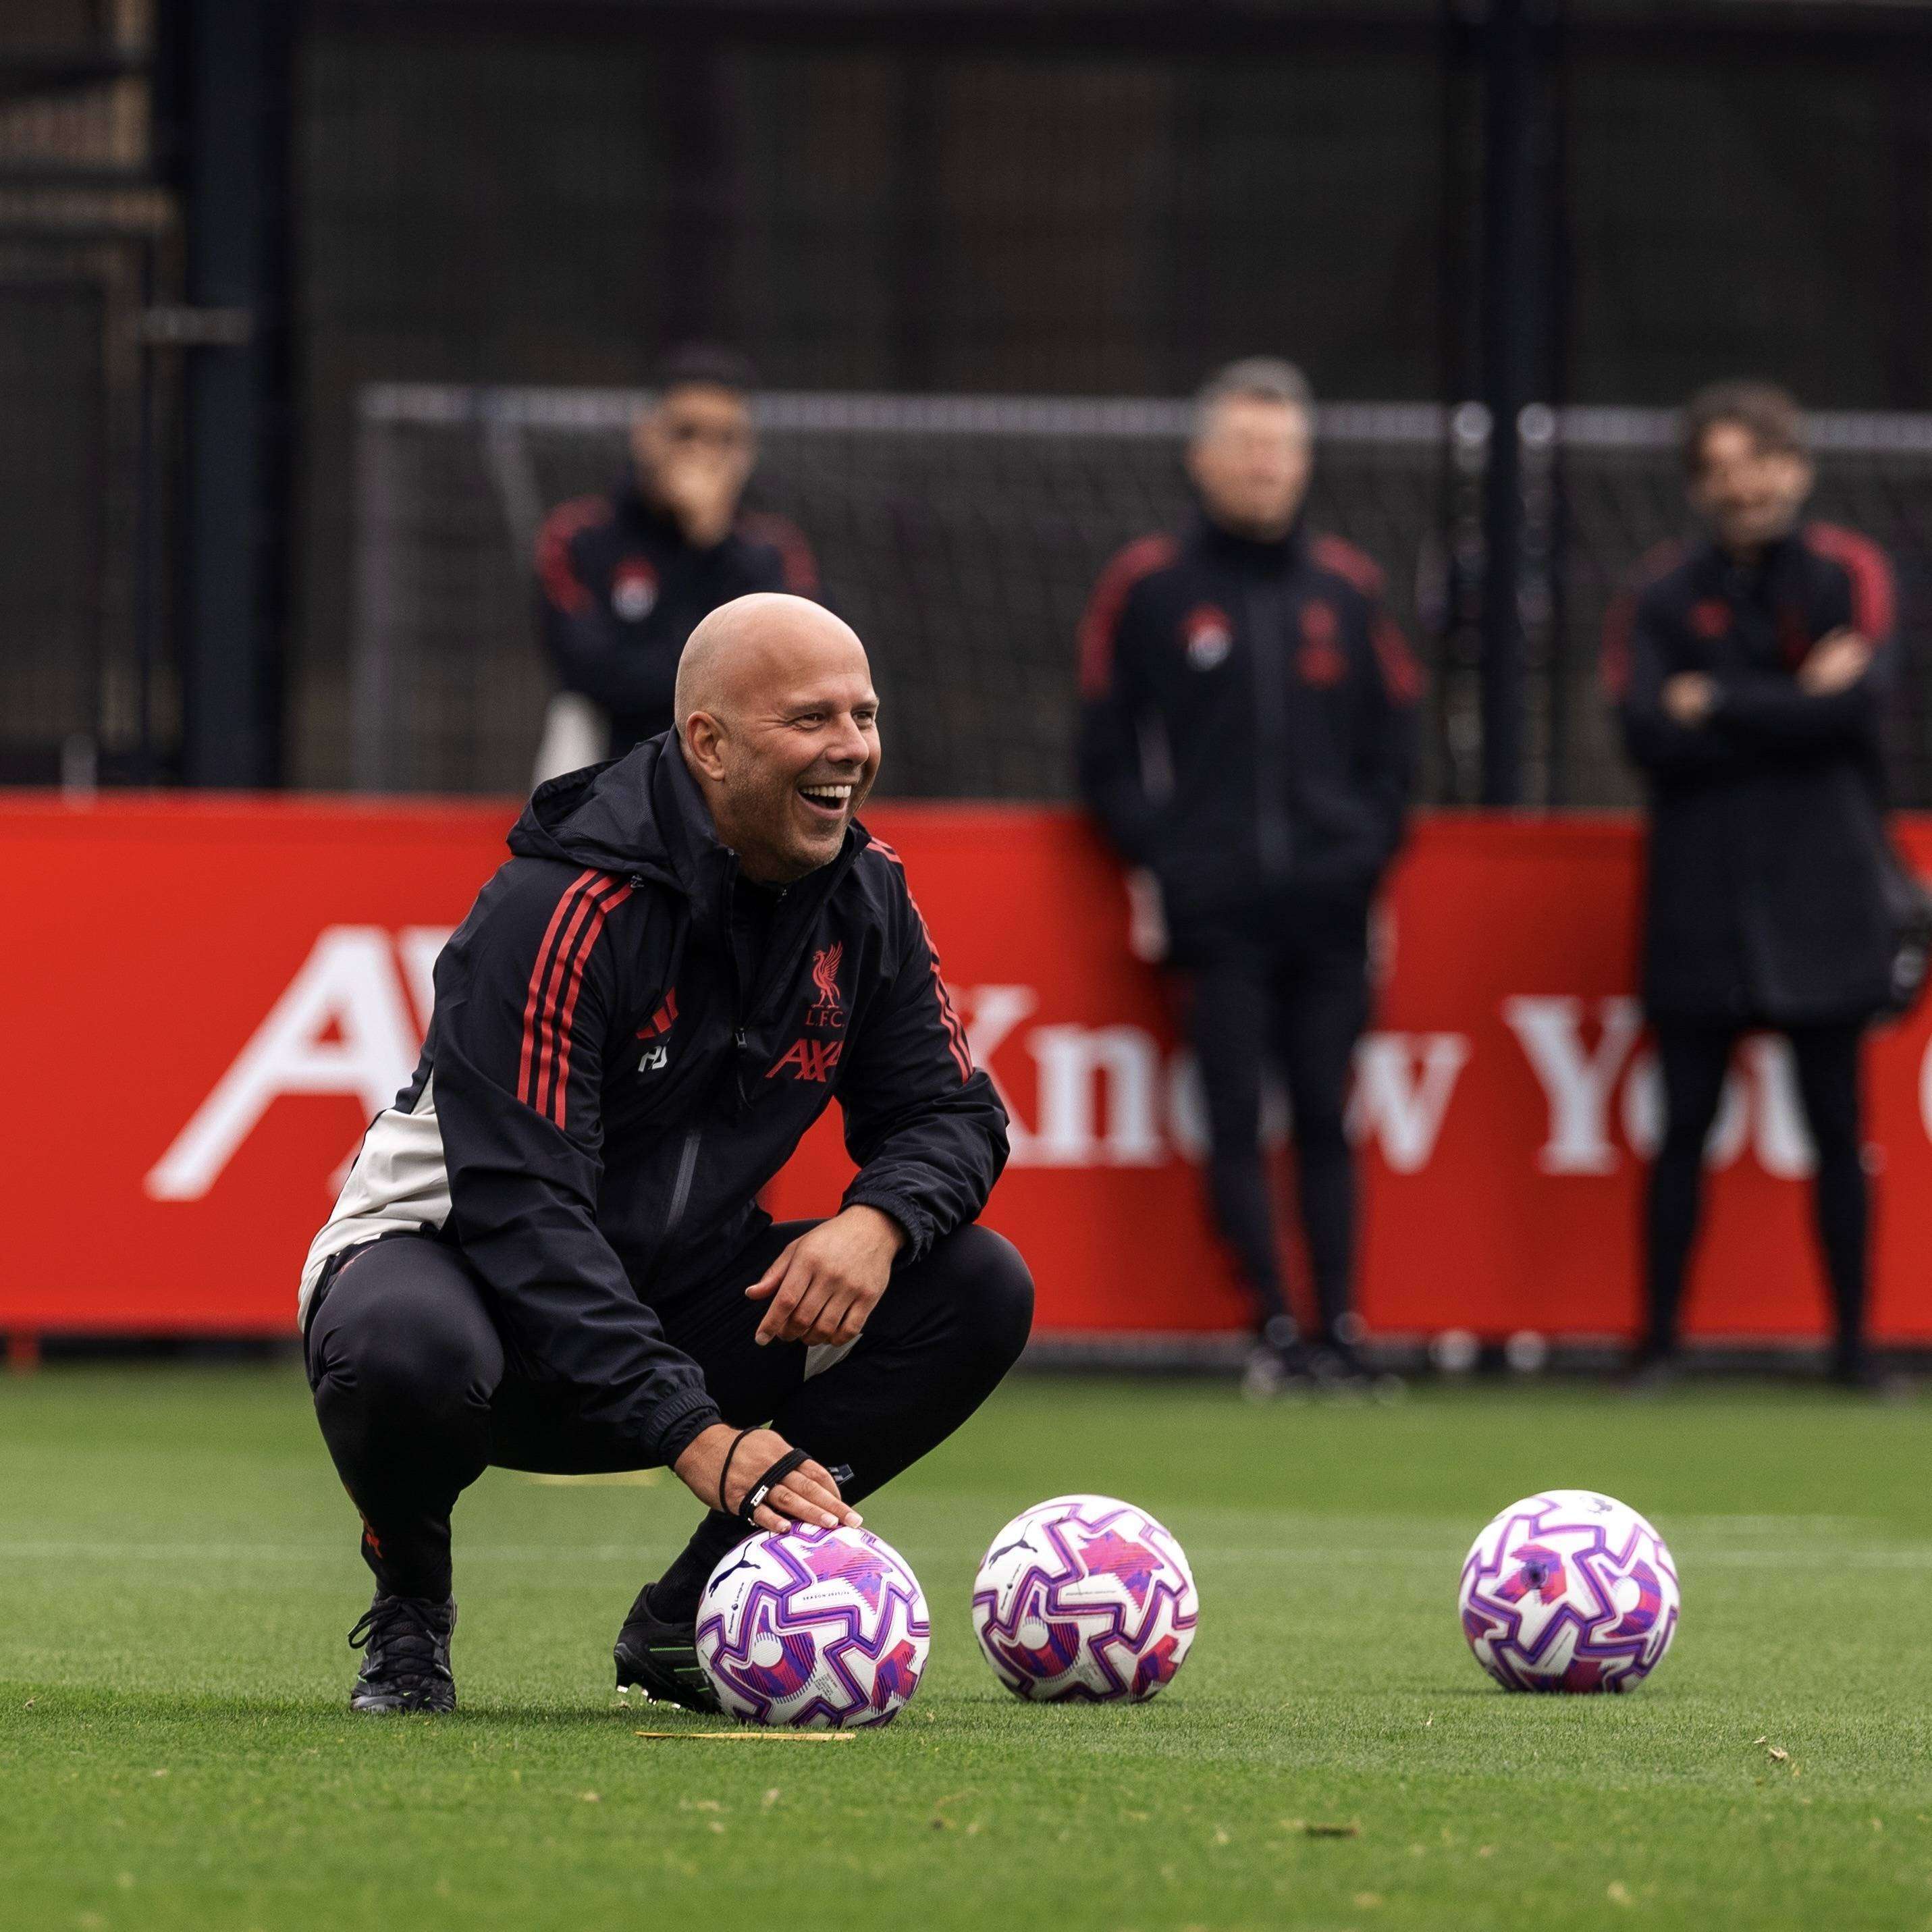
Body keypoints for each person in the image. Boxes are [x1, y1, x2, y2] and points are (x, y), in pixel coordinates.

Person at [300, 593, 1031, 1713]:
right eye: (812, 719)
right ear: (709, 740)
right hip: (470, 1289)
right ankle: (408, 1608)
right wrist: (695, 1435)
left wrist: (874, 1220)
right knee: (401, 1345)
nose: (852, 749)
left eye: (865, 715)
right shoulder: (560, 901)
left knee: (977, 1286)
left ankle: (692, 1619)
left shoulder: (866, 895)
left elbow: (955, 1114)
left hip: (680, 1298)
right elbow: (526, 1213)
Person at [1076, 358, 1421, 1394]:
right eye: (1246, 447)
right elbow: (1102, 752)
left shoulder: (1347, 587)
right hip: (1213, 906)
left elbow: (1396, 748)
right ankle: (1270, 1326)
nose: (1265, 467)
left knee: (1325, 1110)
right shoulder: (1148, 586)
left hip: (1329, 904)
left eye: (1281, 448)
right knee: (1233, 1113)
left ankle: (1342, 1330)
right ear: (1202, 459)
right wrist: (1171, 857)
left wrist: (1359, 854)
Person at [1605, 381, 1898, 1392]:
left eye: (1761, 463)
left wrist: (1716, 700)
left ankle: (1854, 1347)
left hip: (1825, 894)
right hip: (1700, 898)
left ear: (1797, 467)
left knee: (1836, 1127)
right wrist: (1784, 704)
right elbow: (1642, 730)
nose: (1745, 487)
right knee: (1680, 1125)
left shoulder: (1846, 572)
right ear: (1698, 484)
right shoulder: (1657, 591)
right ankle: (1657, 1340)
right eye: (1722, 470)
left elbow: (1856, 708)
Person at [531, 344, 820, 782]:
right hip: (616, 764)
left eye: (725, 439)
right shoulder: (579, 538)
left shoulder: (772, 552)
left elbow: (797, 674)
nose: (704, 454)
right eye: (686, 433)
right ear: (645, 435)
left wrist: (711, 547)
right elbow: (588, 670)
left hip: (736, 767)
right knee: (573, 717)